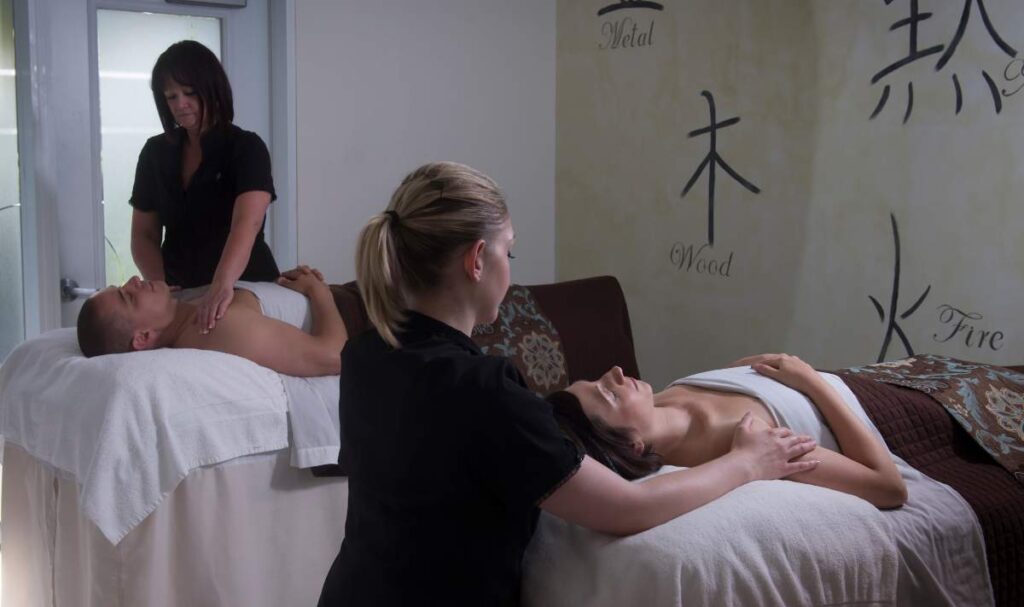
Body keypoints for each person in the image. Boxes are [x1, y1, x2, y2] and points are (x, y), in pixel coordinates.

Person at [317, 161, 821, 607]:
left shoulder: (364, 356)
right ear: (476, 261)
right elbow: (629, 509)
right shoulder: (483, 388)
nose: (510, 270)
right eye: (508, 253)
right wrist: (747, 463)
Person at [548, 354, 908, 509]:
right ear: (633, 446)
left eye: (597, 381)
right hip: (883, 410)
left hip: (861, 377)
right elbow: (889, 488)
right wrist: (811, 381)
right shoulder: (741, 437)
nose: (614, 372)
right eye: (608, 394)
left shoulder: (662, 398)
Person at [130, 40, 280, 335]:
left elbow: (246, 224)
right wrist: (162, 290)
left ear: (212, 89)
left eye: (189, 93)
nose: (180, 105)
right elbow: (144, 234)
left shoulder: (246, 147)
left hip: (243, 285)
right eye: (170, 97)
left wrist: (221, 286)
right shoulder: (155, 153)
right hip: (180, 289)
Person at [76, 266, 347, 378]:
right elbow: (335, 357)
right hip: (359, 314)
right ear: (144, 337)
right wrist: (318, 292)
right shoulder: (218, 326)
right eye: (127, 297)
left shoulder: (188, 311)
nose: (133, 281)